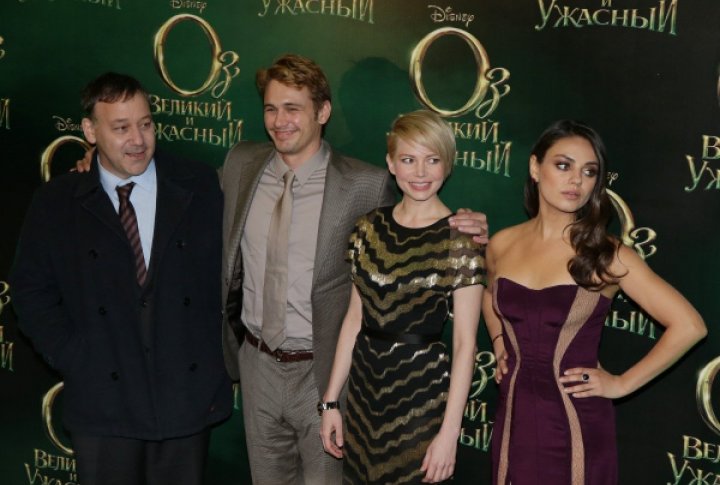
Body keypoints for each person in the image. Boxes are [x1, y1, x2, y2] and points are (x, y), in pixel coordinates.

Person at [219, 54, 489, 484]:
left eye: (293, 108)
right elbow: (180, 192)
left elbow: (419, 228)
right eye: (271, 108)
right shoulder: (239, 165)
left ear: (322, 112)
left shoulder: (364, 185)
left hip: (323, 367)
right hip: (256, 366)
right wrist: (93, 167)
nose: (279, 120)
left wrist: (471, 225)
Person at [10, 72, 231, 485]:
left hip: (184, 400)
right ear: (90, 131)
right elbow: (30, 290)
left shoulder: (199, 185)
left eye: (145, 124)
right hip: (103, 405)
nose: (138, 140)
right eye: (121, 127)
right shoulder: (57, 203)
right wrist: (75, 357)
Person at [482, 120, 707, 485]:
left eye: (589, 172)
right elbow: (490, 294)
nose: (576, 181)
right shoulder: (502, 243)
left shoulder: (606, 254)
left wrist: (621, 384)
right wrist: (497, 342)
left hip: (576, 424)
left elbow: (690, 325)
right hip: (514, 417)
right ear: (535, 167)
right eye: (563, 165)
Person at [319, 110, 485, 484]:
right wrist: (331, 401)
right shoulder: (368, 228)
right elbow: (353, 321)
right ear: (391, 163)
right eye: (409, 160)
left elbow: (464, 344)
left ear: (448, 164)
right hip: (363, 396)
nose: (421, 173)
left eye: (432, 160)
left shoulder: (460, 239)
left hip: (421, 400)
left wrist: (448, 435)